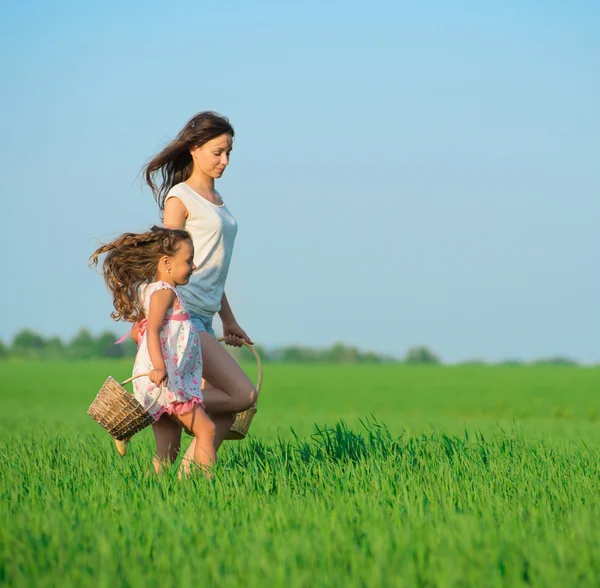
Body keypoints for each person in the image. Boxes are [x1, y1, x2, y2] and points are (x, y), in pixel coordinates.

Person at [138, 111, 257, 468]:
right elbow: (168, 262)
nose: (224, 160)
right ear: (194, 149)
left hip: (204, 317)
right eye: (217, 152)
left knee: (213, 416)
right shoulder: (181, 198)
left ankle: (187, 481)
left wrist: (229, 320)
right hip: (183, 317)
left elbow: (208, 269)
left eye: (229, 153)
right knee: (242, 394)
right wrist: (151, 316)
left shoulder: (217, 198)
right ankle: (170, 403)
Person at [90, 226, 219, 476]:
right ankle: (203, 485)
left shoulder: (161, 291)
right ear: (167, 263)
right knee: (208, 431)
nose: (192, 267)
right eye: (188, 261)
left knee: (168, 450)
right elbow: (153, 330)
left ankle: (154, 489)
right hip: (170, 383)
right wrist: (159, 366)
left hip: (166, 383)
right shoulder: (162, 292)